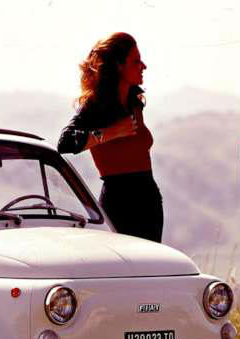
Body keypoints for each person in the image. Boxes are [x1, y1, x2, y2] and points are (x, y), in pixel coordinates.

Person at [57, 32, 162, 242]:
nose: (144, 66)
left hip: (149, 202)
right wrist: (111, 133)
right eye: (136, 61)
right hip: (120, 205)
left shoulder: (134, 104)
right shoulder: (94, 107)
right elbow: (65, 142)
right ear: (118, 66)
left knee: (151, 271)